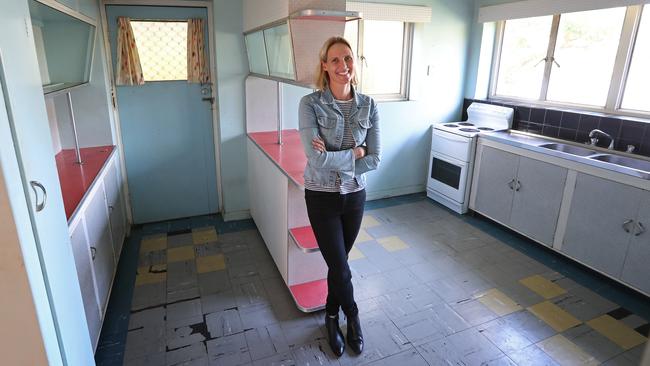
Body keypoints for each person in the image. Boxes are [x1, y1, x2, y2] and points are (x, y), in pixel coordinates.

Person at [298, 36, 381, 357]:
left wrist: (343, 155)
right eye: (334, 60)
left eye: (347, 58)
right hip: (321, 195)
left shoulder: (369, 105)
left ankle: (331, 315)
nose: (343, 66)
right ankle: (353, 317)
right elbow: (315, 159)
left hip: (355, 197)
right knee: (342, 267)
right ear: (324, 66)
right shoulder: (310, 104)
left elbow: (374, 159)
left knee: (338, 266)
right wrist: (355, 152)